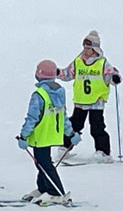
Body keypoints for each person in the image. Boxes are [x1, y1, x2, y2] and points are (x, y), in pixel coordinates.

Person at [17, 60, 80, 206]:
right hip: (53, 134)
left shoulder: (39, 94)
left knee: (44, 163)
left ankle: (56, 192)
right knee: (41, 161)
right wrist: (70, 133)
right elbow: (63, 115)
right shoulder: (59, 92)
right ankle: (43, 188)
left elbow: (32, 118)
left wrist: (24, 136)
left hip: (40, 135)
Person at [56, 31, 122, 163]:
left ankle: (103, 151)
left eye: (89, 49)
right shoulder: (78, 61)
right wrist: (58, 72)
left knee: (97, 125)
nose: (86, 52)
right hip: (81, 101)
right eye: (84, 48)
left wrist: (114, 78)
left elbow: (112, 74)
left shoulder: (102, 63)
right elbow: (68, 74)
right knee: (74, 124)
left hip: (96, 100)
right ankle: (65, 146)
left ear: (95, 49)